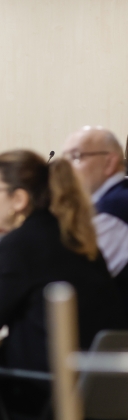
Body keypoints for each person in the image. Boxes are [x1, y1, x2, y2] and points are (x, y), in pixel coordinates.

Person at [0, 150, 127, 420]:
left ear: (19, 199)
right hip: (105, 410)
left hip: (51, 410)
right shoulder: (73, 236)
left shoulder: (22, 243)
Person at [63, 126, 128, 314]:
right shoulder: (108, 201)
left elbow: (76, 279)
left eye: (76, 157)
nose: (68, 168)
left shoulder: (115, 210)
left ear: (109, 163)